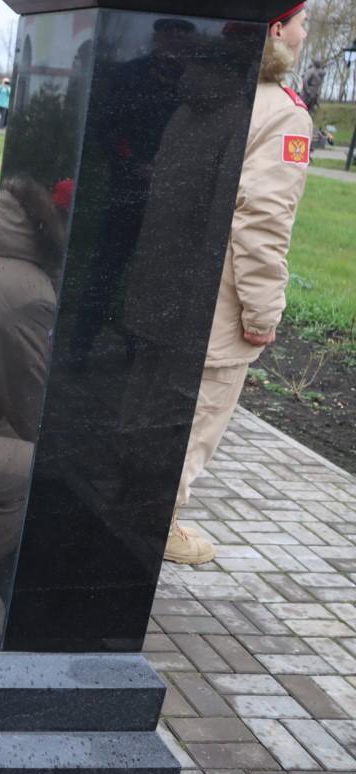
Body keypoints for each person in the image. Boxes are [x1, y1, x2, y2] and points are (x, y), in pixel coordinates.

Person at [166, 2, 313, 564]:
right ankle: (158, 523)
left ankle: (129, 509)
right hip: (218, 304)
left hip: (165, 291)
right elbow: (262, 225)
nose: (303, 34)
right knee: (195, 421)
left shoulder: (197, 95)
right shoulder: (282, 113)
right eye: (301, 22)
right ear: (276, 29)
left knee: (148, 409)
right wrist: (261, 313)